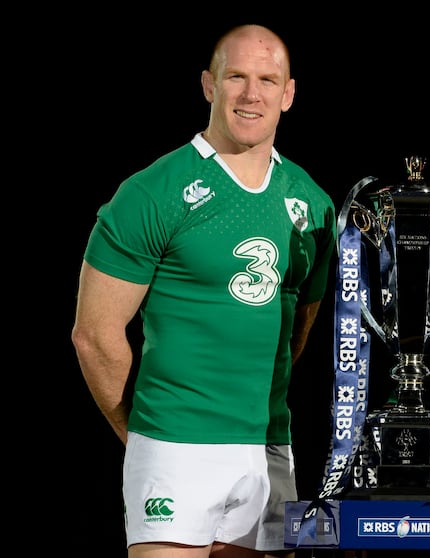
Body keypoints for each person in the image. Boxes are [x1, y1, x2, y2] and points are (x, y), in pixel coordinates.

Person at [71, 24, 336, 558]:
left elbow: (297, 329)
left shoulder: (314, 203)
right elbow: (94, 335)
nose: (251, 93)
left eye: (267, 79)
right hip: (175, 441)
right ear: (208, 85)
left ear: (288, 94)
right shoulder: (153, 192)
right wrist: (145, 435)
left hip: (268, 447)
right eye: (235, 76)